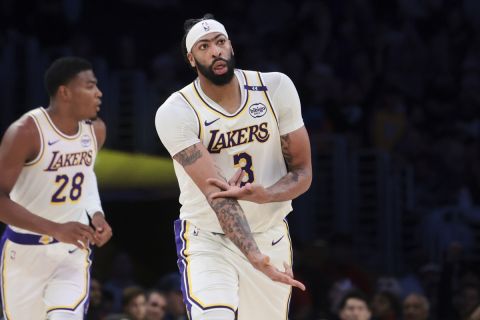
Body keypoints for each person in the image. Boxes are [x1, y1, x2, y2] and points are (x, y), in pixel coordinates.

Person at [155, 13, 312, 320]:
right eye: (204, 46)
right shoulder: (176, 112)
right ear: (191, 59)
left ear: (230, 45)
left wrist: (265, 194)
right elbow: (219, 197)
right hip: (209, 238)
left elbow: (303, 172)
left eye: (220, 42)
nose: (215, 51)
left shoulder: (275, 88)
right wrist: (252, 254)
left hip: (271, 235)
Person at [0, 56, 112, 319]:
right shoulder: (26, 132)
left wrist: (96, 214)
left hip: (71, 253)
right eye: (90, 86)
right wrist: (56, 229)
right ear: (65, 92)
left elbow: (85, 177)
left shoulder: (96, 131)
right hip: (23, 253)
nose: (99, 93)